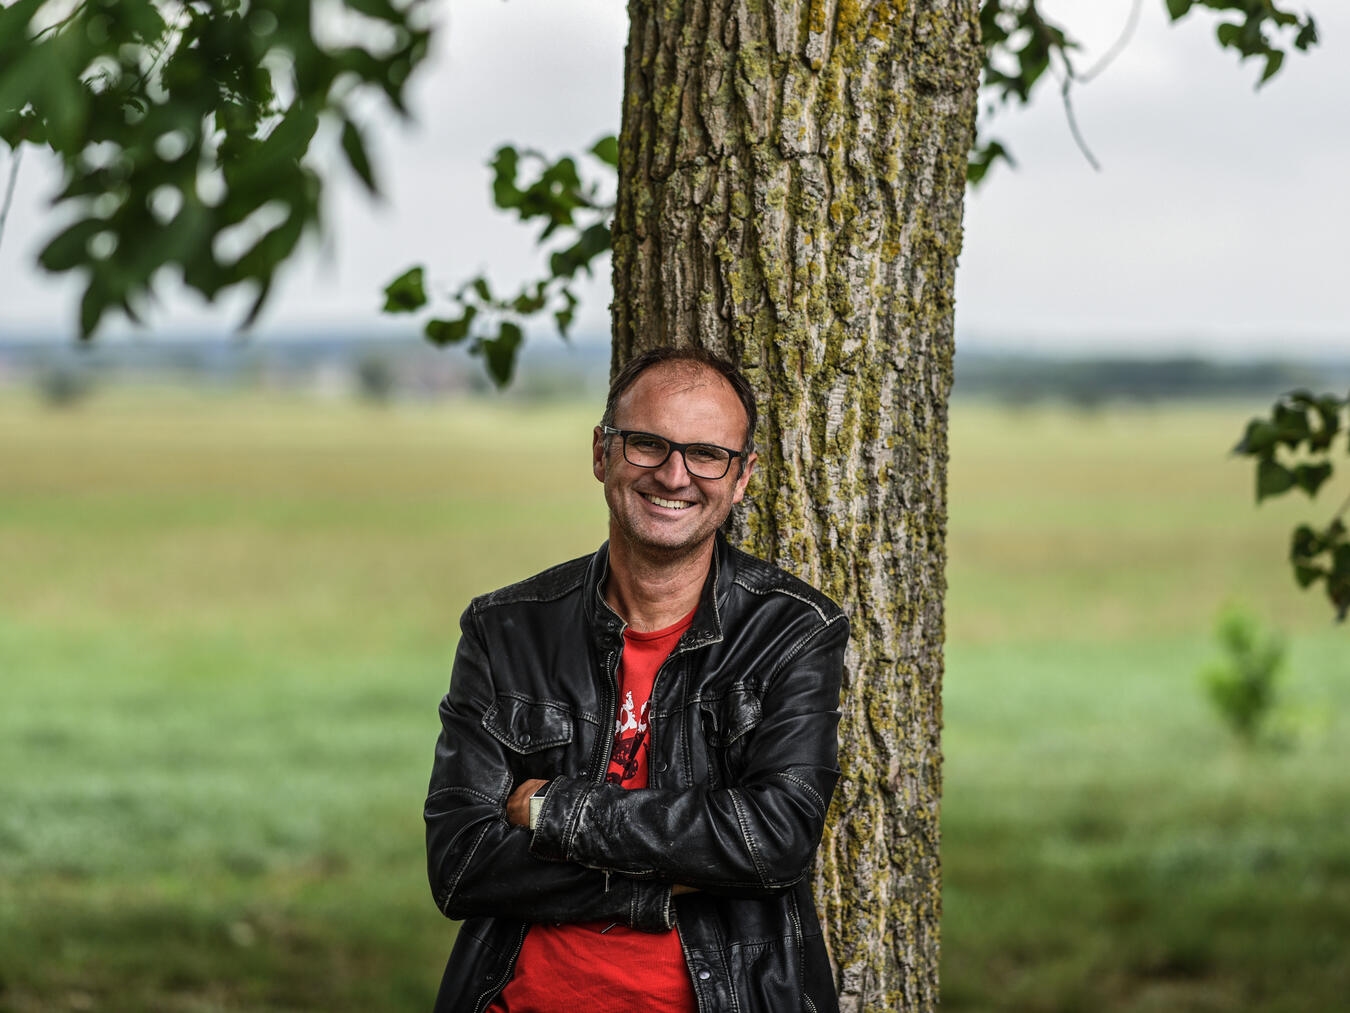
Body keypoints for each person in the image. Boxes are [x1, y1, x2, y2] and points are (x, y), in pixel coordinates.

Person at [424, 346, 848, 1012]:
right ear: (602, 452)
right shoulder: (506, 629)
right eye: (648, 444)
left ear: (742, 477)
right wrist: (664, 880)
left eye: (707, 453)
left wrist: (554, 809)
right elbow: (460, 864)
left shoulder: (791, 630)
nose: (675, 475)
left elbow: (774, 838)